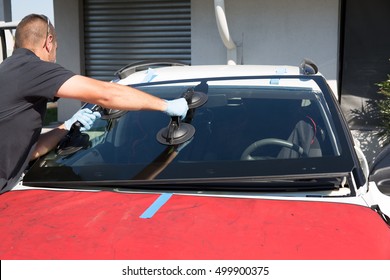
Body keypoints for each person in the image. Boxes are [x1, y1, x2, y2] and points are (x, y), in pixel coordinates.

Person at [0, 14, 188, 193]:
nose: (55, 52)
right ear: (49, 42)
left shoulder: (9, 70)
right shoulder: (31, 68)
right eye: (57, 47)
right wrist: (166, 105)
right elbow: (106, 95)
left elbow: (27, 152)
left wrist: (65, 127)